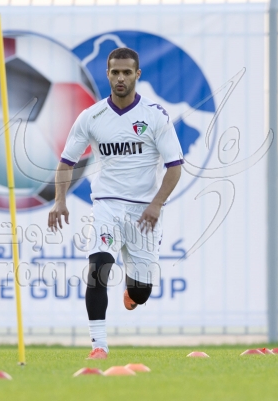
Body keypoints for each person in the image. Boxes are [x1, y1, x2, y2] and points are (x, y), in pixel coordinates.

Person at [47, 47, 184, 360]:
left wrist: (156, 204)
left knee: (141, 292)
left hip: (144, 212)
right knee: (98, 269)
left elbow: (175, 167)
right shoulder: (91, 117)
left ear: (137, 74)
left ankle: (133, 292)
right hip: (107, 205)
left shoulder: (155, 116)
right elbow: (66, 162)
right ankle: (99, 346)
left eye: (126, 72)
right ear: (107, 74)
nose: (120, 78)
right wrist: (59, 201)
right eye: (115, 72)